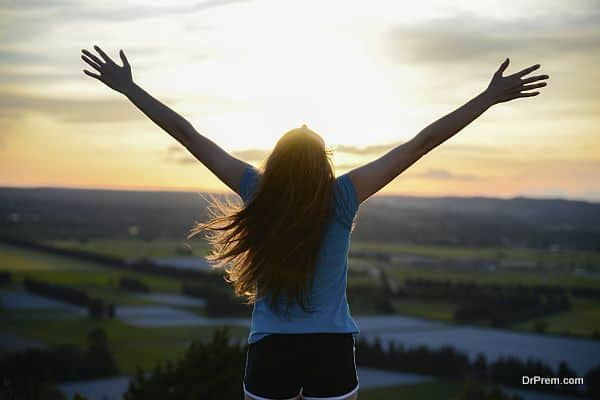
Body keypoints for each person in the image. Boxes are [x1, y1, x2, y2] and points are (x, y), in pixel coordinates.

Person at [81, 46, 548, 400]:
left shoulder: (257, 190)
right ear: (323, 162)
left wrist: (130, 88)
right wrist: (486, 99)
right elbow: (422, 142)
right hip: (330, 351)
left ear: (277, 160)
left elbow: (186, 134)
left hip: (271, 352)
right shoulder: (343, 196)